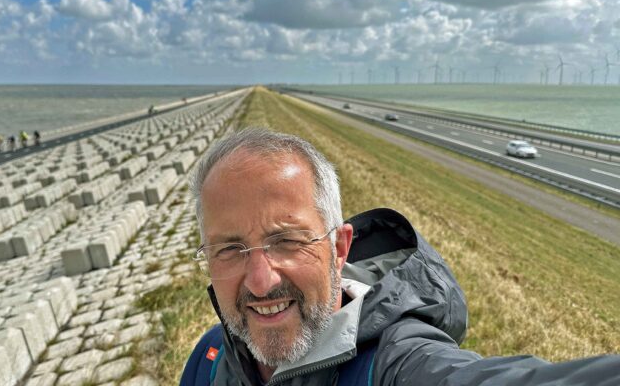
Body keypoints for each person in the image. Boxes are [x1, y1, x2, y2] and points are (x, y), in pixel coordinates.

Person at [181, 128, 619, 385]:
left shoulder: (396, 365)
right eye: (230, 249)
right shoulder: (209, 356)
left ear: (339, 249)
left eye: (288, 241)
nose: (260, 280)